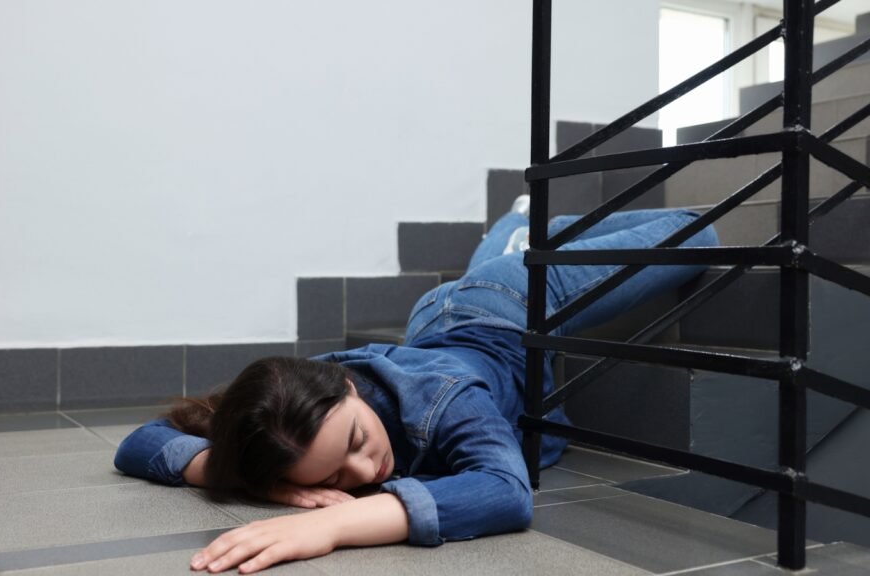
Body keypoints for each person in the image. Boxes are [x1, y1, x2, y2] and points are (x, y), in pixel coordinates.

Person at [114, 196, 718, 573]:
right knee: (482, 269)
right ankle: (517, 221)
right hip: (436, 320)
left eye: (354, 442)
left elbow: (506, 492)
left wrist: (328, 524)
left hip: (506, 304)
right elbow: (138, 443)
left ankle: (546, 230)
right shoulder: (285, 410)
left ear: (347, 387)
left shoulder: (445, 399)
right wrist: (256, 482)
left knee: (699, 233)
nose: (363, 471)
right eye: (329, 480)